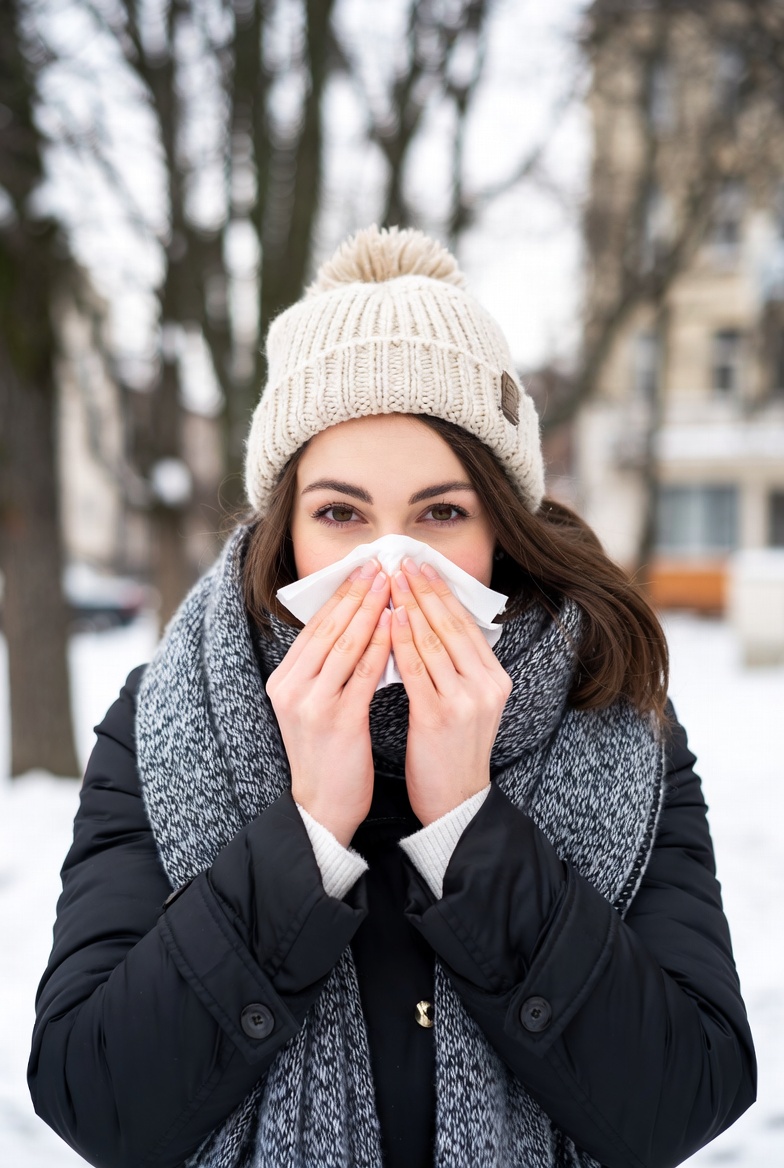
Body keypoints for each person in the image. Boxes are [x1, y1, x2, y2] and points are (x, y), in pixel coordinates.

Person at [29, 226, 755, 1168]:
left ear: (504, 527)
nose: (391, 563)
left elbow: (687, 1093)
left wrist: (467, 824)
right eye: (340, 513)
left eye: (442, 513)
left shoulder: (617, 715)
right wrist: (307, 837)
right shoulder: (169, 719)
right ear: (282, 531)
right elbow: (95, 1100)